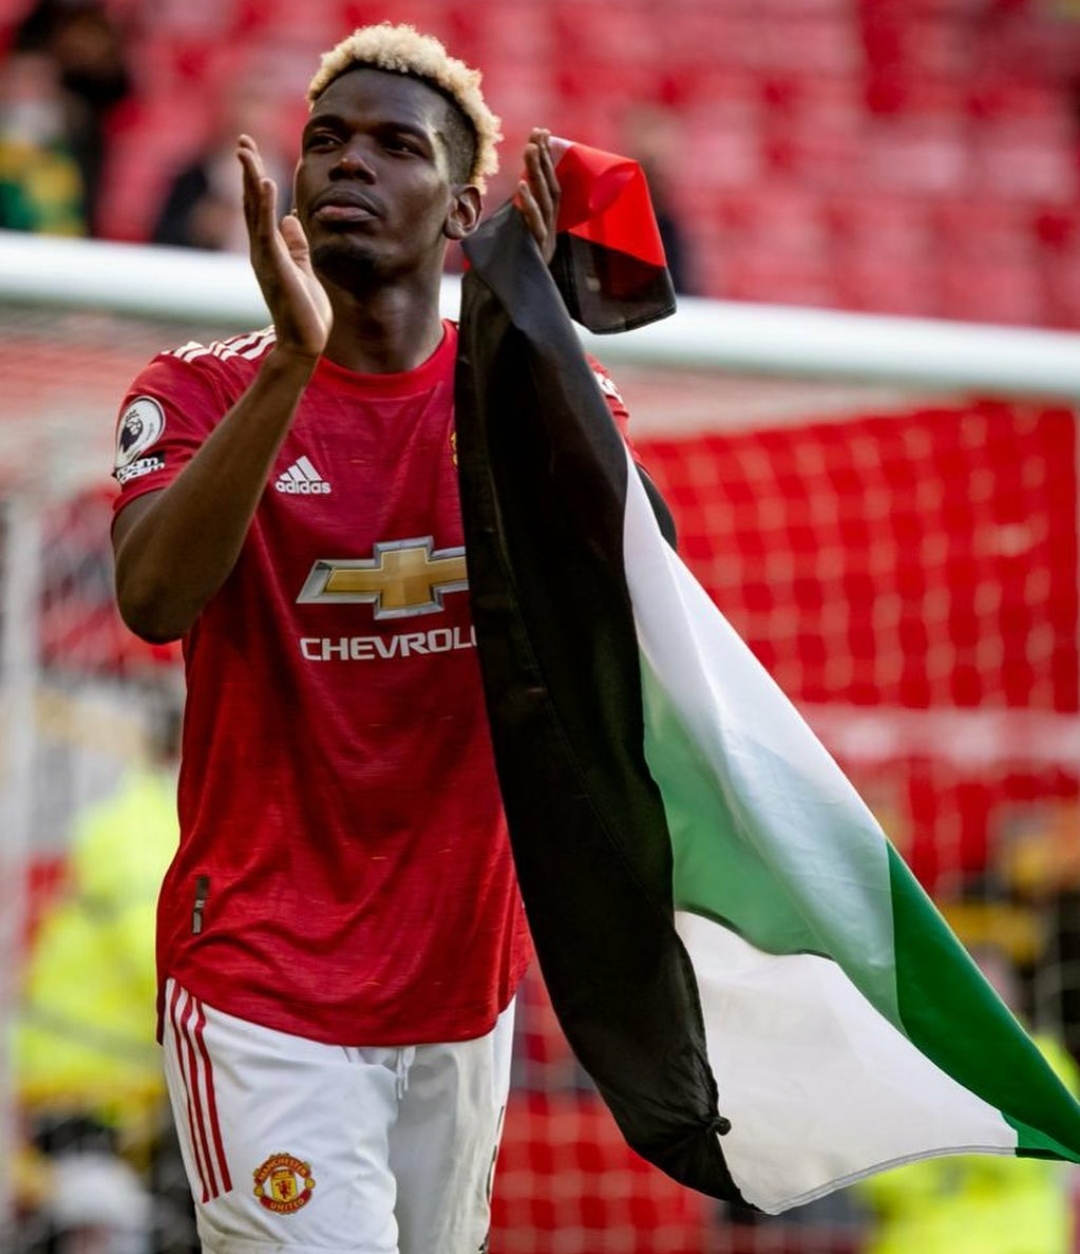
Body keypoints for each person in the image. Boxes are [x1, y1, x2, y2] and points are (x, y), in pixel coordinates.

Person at [110, 22, 636, 1254]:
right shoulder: (192, 389)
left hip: (462, 987)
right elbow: (152, 601)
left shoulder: (526, 395)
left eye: (395, 147)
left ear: (460, 211)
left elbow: (633, 603)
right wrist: (293, 364)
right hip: (262, 985)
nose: (351, 164)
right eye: (327, 141)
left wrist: (540, 350)